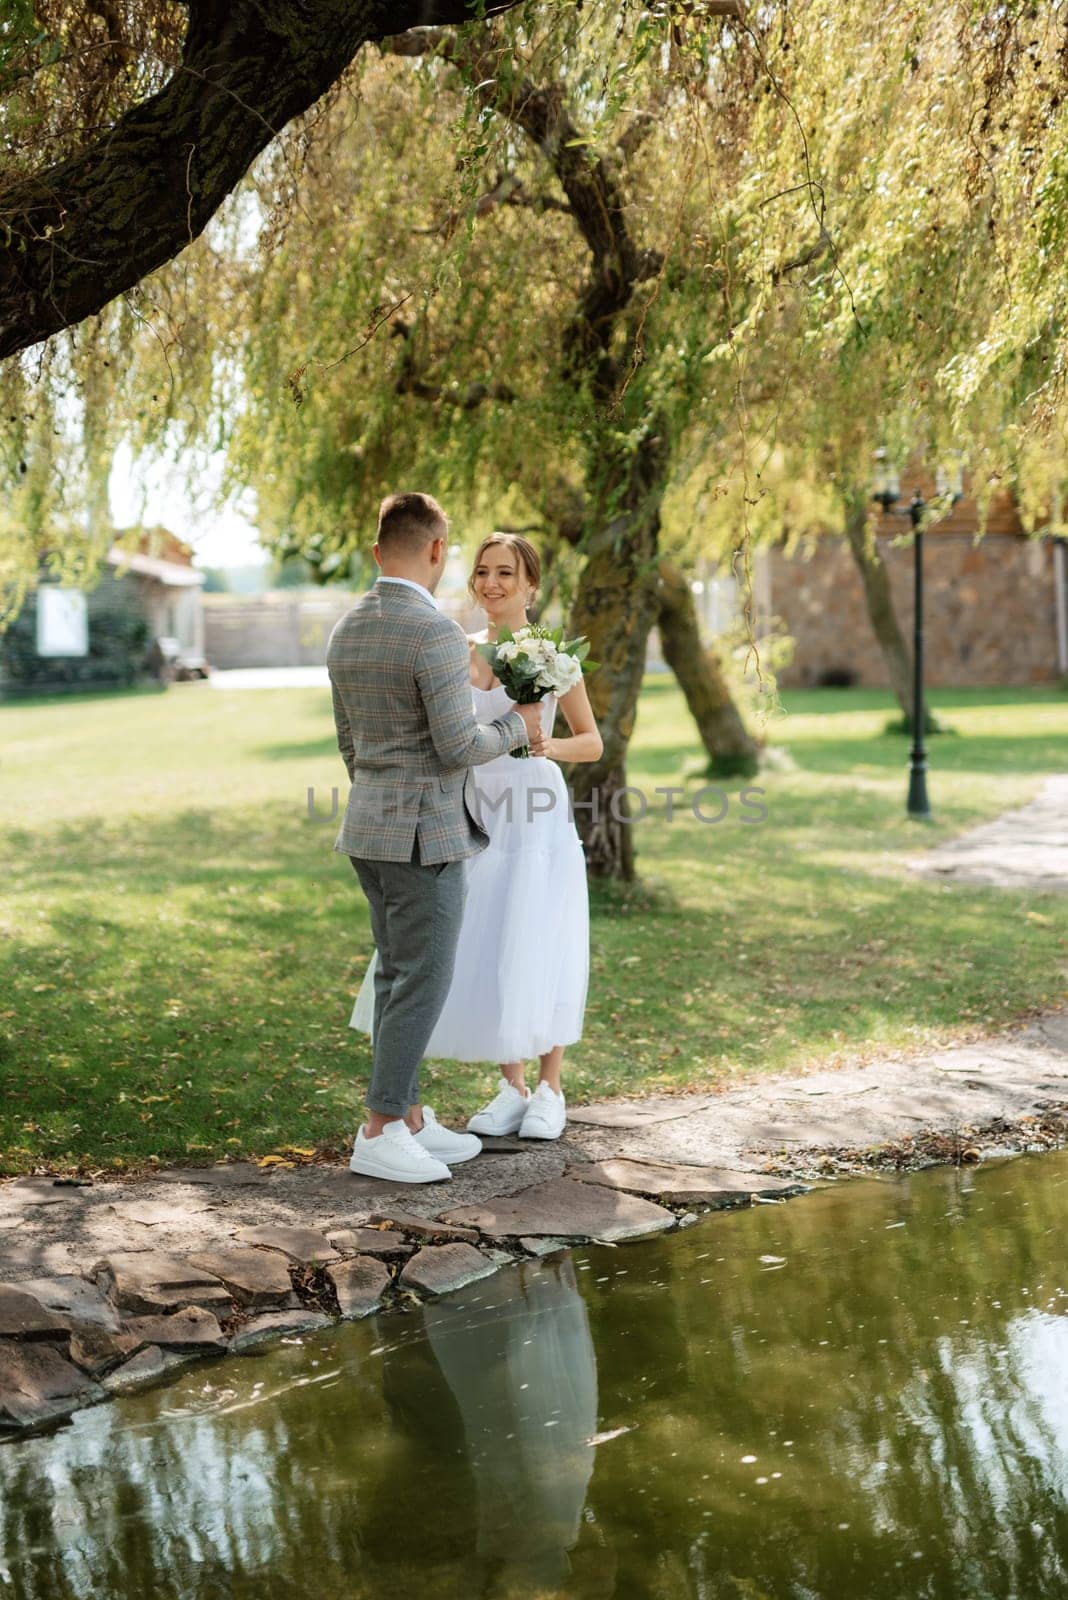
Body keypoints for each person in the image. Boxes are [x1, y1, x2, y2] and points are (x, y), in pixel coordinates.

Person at [351, 532, 602, 1142]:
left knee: (538, 931)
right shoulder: (453, 647)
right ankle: (511, 1086)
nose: (491, 583)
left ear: (531, 585)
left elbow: (591, 741)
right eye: (483, 572)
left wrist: (545, 744)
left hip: (535, 808)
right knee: (488, 934)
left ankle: (550, 1088)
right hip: (471, 804)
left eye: (506, 573)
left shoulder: (554, 654)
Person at [327, 494, 544, 1185]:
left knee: (397, 971)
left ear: (375, 551)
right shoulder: (437, 634)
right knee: (422, 979)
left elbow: (349, 745)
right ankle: (382, 1128)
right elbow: (457, 746)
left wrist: (382, 791)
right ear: (438, 550)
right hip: (427, 837)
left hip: (368, 828)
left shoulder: (346, 630)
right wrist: (518, 728)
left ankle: (412, 1117)